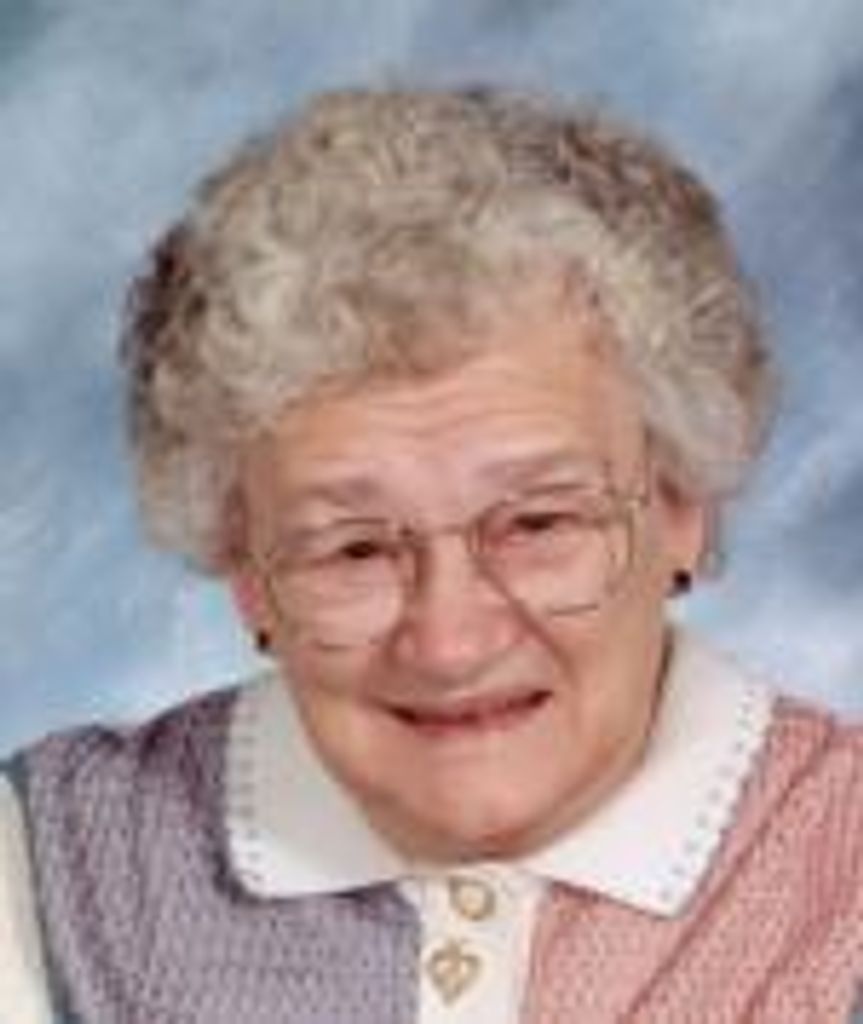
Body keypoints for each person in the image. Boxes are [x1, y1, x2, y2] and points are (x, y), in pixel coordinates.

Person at [2, 84, 862, 1024]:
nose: (449, 644)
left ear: (681, 508)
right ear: (247, 574)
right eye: (354, 549)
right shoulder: (45, 877)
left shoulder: (840, 871)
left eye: (536, 525)